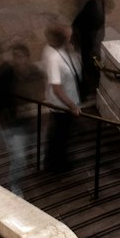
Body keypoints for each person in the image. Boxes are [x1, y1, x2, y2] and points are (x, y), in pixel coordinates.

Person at [0, 42, 33, 196]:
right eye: (15, 56)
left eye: (21, 57)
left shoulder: (30, 73)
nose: (18, 60)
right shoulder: (6, 75)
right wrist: (5, 123)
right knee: (16, 157)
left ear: (27, 58)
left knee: (15, 156)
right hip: (9, 123)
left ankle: (6, 180)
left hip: (21, 122)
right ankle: (13, 186)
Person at [40, 25, 81, 173]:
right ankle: (56, 164)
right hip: (61, 105)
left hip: (68, 100)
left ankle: (56, 160)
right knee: (59, 134)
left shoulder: (59, 50)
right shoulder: (53, 58)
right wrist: (72, 106)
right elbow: (57, 88)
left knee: (60, 133)